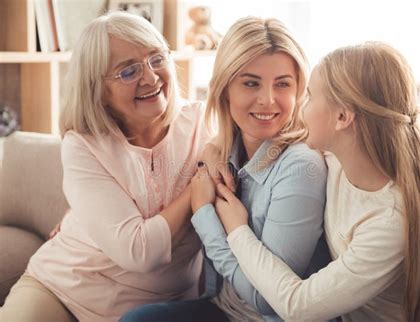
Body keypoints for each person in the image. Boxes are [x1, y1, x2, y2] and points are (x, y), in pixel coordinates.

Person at [214, 42, 420, 322]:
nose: (300, 108)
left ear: (342, 117)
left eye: (310, 97)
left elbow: (298, 306)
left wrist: (237, 229)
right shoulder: (336, 157)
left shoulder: (390, 219)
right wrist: (213, 151)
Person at [0, 11, 211, 322]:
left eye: (157, 59)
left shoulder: (203, 123)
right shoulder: (83, 144)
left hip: (158, 306)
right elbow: (140, 251)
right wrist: (197, 188)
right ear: (98, 89)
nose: (151, 78)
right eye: (128, 71)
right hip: (64, 290)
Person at [120, 17, 328, 322]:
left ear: (299, 90)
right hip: (222, 308)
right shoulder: (224, 148)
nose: (268, 100)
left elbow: (270, 302)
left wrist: (203, 211)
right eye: (250, 83)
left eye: (282, 83)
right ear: (225, 88)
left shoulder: (300, 167)